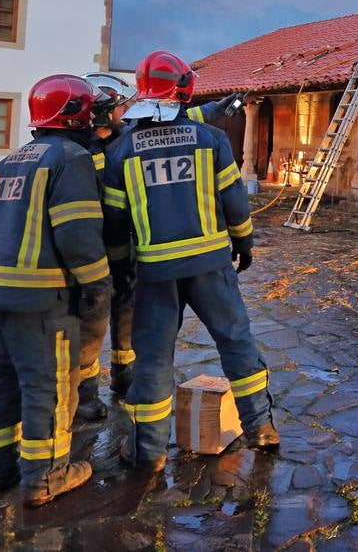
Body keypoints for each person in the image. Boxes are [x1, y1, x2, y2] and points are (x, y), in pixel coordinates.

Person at [102, 50, 277, 471]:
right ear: (184, 91)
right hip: (210, 265)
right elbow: (235, 203)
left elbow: (114, 224)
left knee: (155, 357)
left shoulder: (121, 151)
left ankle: (151, 452)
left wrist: (124, 269)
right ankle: (260, 427)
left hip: (155, 272)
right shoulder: (211, 140)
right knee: (236, 341)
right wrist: (244, 243)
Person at [0, 74, 112, 506]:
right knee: (48, 390)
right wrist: (97, 285)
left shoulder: (12, 160)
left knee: (0, 385)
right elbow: (78, 234)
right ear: (75, 114)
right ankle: (47, 477)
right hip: (43, 299)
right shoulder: (71, 159)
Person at [73, 72, 139, 421]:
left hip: (119, 245)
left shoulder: (120, 138)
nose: (125, 113)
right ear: (102, 112)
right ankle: (85, 394)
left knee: (126, 308)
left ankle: (124, 375)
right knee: (91, 319)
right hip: (89, 250)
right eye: (121, 108)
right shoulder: (77, 151)